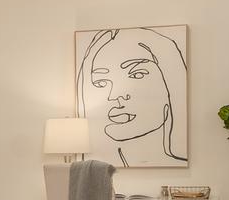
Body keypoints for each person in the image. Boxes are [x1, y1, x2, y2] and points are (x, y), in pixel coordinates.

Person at [77, 26, 187, 166]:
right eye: (101, 82)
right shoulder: (92, 174)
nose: (114, 96)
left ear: (170, 84)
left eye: (137, 74)